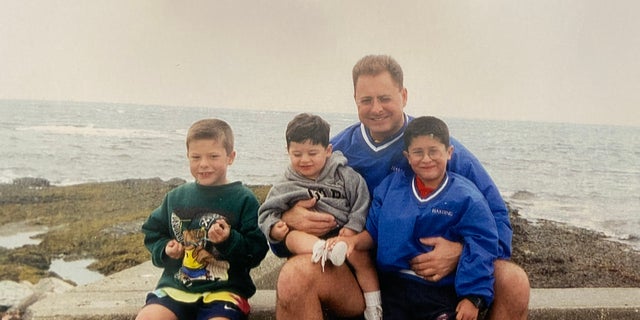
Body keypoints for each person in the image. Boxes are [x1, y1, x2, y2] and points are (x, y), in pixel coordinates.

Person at [275, 55, 530, 320]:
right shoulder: (332, 154)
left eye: (385, 98)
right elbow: (277, 226)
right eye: (366, 100)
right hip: (356, 278)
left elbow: (497, 218)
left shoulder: (438, 152)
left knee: (513, 281)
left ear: (404, 95)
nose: (376, 109)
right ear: (355, 100)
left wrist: (462, 252)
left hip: (427, 280)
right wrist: (286, 221)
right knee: (295, 276)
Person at [344, 116, 498, 320]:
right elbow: (372, 233)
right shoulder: (391, 188)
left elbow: (482, 245)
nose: (426, 159)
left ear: (449, 152)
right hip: (393, 288)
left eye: (434, 151)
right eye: (418, 152)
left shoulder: (468, 197)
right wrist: (351, 242)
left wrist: (473, 297)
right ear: (407, 156)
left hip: (440, 290)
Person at [136, 118, 269, 320]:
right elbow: (153, 232)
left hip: (225, 291)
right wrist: (165, 249)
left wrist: (229, 240)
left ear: (230, 157)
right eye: (196, 157)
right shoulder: (175, 197)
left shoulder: (245, 200)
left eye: (213, 156)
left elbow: (257, 250)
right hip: (176, 287)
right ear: (188, 156)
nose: (203, 164)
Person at [258, 113, 382, 320]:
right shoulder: (286, 184)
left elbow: (361, 203)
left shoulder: (345, 176)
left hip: (346, 243)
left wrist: (351, 229)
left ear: (328, 151)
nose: (304, 160)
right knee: (292, 242)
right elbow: (267, 211)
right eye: (297, 154)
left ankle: (375, 308)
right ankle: (321, 250)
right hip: (309, 248)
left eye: (312, 153)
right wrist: (277, 227)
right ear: (287, 152)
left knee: (359, 256)